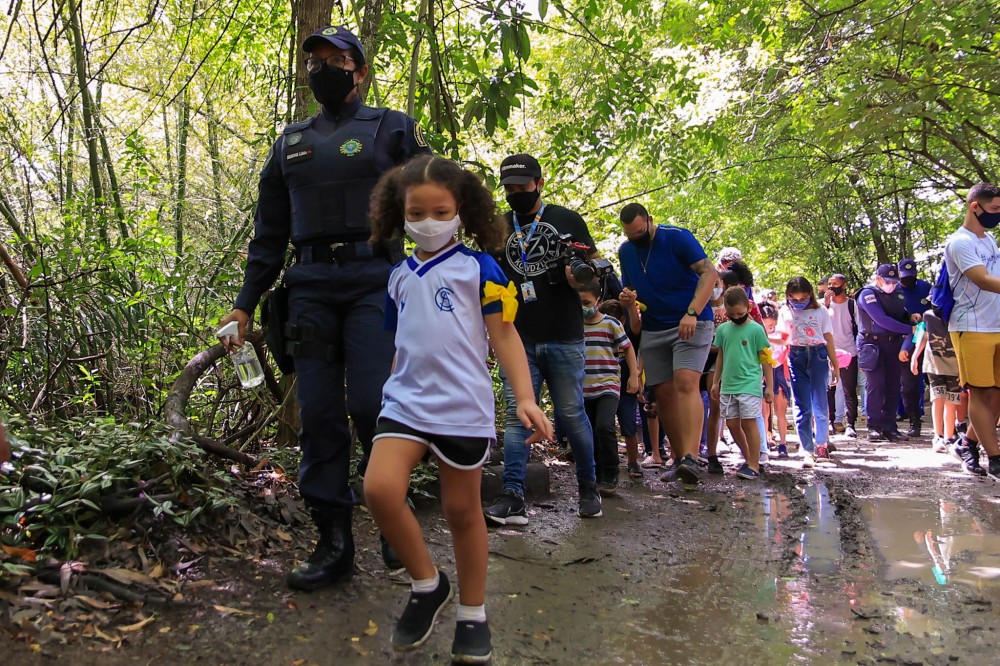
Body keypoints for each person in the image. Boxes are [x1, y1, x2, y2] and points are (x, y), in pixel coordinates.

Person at [217, 25, 432, 590]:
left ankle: (391, 511)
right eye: (314, 61)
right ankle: (333, 542)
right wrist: (244, 305)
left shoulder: (393, 128)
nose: (323, 69)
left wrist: (447, 275)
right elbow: (269, 234)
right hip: (309, 286)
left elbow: (436, 198)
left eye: (336, 60)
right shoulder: (289, 144)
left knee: (372, 402)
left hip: (375, 281)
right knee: (317, 415)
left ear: (360, 71)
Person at [362, 155, 552, 663]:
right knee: (379, 489)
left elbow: (505, 336)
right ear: (399, 214)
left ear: (461, 211)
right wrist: (390, 387)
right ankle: (427, 584)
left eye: (440, 212)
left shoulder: (479, 269)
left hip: (463, 405)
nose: (428, 222)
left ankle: (472, 612)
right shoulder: (397, 277)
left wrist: (525, 397)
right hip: (404, 402)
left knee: (462, 512)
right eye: (417, 213)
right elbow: (402, 342)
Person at [484, 153, 603, 525]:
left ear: (539, 184)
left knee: (571, 414)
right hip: (518, 338)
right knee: (517, 416)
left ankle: (589, 487)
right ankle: (513, 496)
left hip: (565, 335)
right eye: (509, 188)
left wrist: (579, 279)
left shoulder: (567, 220)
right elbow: (487, 282)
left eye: (522, 186)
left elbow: (597, 272)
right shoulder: (498, 226)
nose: (516, 193)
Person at [618, 203, 718, 484]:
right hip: (654, 328)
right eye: (630, 235)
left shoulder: (677, 237)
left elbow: (709, 273)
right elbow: (632, 295)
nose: (636, 238)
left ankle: (692, 457)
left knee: (685, 381)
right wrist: (628, 302)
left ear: (650, 220)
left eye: (640, 232)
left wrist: (692, 312)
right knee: (663, 394)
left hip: (691, 322)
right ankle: (681, 458)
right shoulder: (626, 251)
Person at [943, 182, 1000, 479]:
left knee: (997, 395)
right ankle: (996, 458)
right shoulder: (960, 242)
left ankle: (967, 442)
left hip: (997, 323)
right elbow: (983, 280)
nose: (997, 214)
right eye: (994, 209)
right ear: (974, 206)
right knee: (980, 392)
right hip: (971, 325)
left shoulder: (989, 240)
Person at [579, 284, 640, 494]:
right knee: (589, 432)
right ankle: (596, 474)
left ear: (597, 301)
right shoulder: (575, 324)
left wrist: (634, 375)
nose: (583, 307)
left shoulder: (610, 323)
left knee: (604, 426)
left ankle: (611, 472)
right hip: (584, 387)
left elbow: (628, 348)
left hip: (608, 383)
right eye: (580, 303)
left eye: (587, 302)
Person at [711, 287, 774, 479]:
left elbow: (766, 359)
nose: (736, 317)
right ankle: (749, 459)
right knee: (731, 423)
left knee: (749, 422)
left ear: (747, 307)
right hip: (728, 385)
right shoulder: (723, 330)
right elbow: (721, 356)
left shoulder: (756, 330)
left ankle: (754, 464)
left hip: (749, 384)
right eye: (732, 314)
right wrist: (716, 382)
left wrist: (769, 386)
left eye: (740, 313)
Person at [777, 277, 840, 467]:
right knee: (802, 405)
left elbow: (828, 337)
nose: (798, 302)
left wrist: (835, 365)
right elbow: (783, 339)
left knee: (820, 403)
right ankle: (807, 449)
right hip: (796, 356)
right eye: (794, 299)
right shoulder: (784, 311)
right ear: (788, 296)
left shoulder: (820, 311)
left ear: (810, 295)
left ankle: (822, 445)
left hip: (818, 355)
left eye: (803, 298)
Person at [856, 264, 918, 443]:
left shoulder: (897, 293)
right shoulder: (867, 294)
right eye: (888, 282)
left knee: (893, 386)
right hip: (872, 344)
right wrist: (910, 329)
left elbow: (899, 313)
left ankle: (890, 427)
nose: (892, 285)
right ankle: (874, 426)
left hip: (893, 344)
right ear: (878, 279)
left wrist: (910, 318)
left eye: (894, 282)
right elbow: (881, 320)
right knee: (875, 385)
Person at [598, 298, 644, 479]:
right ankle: (606, 462)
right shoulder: (599, 334)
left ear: (622, 320)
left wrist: (637, 377)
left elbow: (638, 348)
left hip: (626, 390)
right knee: (604, 427)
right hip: (604, 388)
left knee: (629, 426)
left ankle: (633, 462)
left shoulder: (629, 335)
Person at [910, 308, 962, 453]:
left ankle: (949, 437)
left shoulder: (960, 314)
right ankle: (938, 436)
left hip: (955, 364)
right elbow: (923, 335)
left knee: (952, 401)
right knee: (938, 398)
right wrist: (915, 357)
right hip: (933, 362)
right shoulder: (927, 316)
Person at [898, 258, 932, 436]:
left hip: (930, 336)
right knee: (908, 383)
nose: (908, 280)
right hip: (906, 338)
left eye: (911, 276)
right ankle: (913, 421)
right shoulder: (894, 291)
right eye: (904, 277)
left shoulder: (926, 287)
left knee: (934, 381)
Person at [826, 274, 860, 438]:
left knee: (849, 390)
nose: (832, 287)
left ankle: (850, 424)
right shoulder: (823, 306)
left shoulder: (853, 305)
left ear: (844, 285)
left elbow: (860, 327)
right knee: (829, 389)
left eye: (835, 284)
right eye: (830, 284)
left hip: (849, 352)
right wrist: (825, 304)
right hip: (828, 353)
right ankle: (830, 421)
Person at [760, 302, 791, 458]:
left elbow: (786, 341)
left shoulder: (780, 334)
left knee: (780, 411)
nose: (769, 328)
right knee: (764, 412)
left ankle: (783, 443)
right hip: (762, 374)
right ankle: (764, 442)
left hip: (779, 373)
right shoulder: (756, 334)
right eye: (765, 325)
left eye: (771, 325)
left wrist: (768, 338)